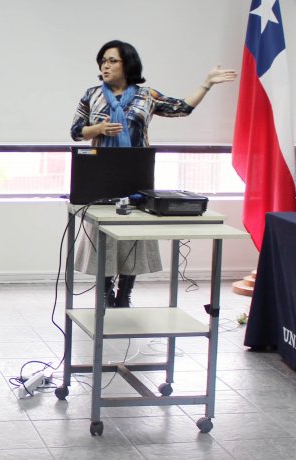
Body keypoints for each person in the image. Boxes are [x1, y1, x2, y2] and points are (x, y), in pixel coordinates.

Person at [70, 40, 236, 307]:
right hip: (100, 173)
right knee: (103, 236)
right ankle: (104, 292)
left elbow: (181, 108)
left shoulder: (146, 96)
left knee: (135, 236)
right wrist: (98, 129)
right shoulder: (92, 94)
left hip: (136, 174)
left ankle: (125, 293)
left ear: (128, 64)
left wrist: (207, 83)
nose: (105, 65)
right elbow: (76, 131)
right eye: (103, 60)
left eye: (112, 60)